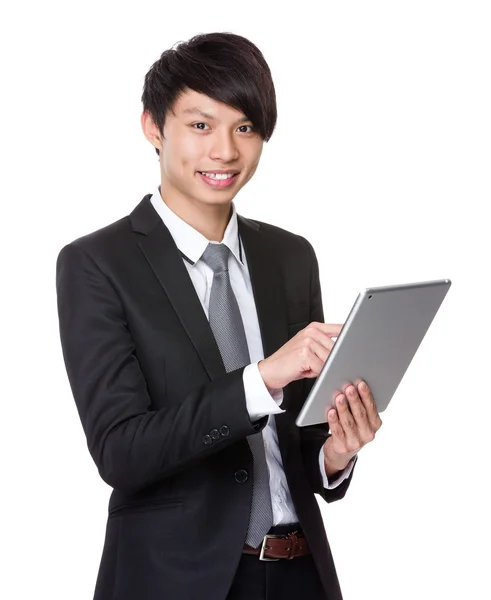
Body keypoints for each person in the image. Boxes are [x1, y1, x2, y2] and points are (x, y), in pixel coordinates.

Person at [56, 31, 382, 600]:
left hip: (300, 572)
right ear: (154, 128)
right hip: (174, 579)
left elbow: (298, 446)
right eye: (201, 126)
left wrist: (335, 453)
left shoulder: (290, 256)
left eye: (245, 127)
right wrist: (261, 379)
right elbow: (121, 452)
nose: (226, 151)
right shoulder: (96, 264)